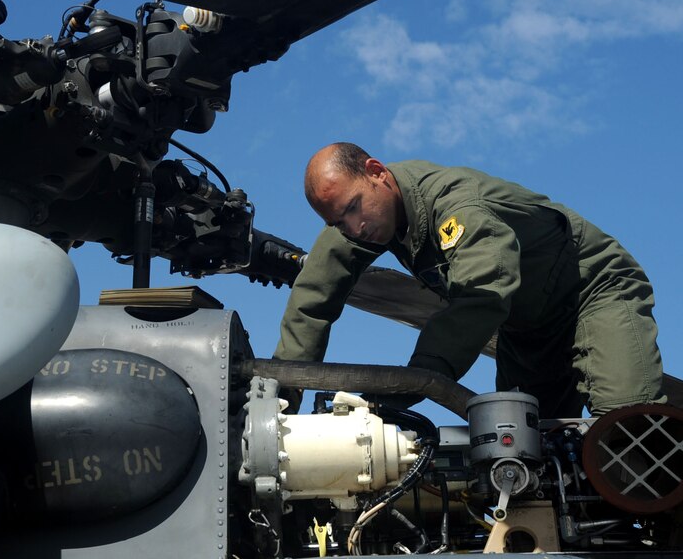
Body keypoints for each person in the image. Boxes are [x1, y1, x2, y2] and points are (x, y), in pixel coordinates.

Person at [274, 142, 665, 417]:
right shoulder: (359, 222)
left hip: (592, 291)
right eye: (338, 222)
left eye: (353, 209)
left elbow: (484, 293)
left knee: (626, 430)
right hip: (526, 329)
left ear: (377, 173)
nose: (354, 228)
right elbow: (314, 295)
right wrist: (280, 396)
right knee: (527, 455)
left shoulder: (456, 205)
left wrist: (421, 376)